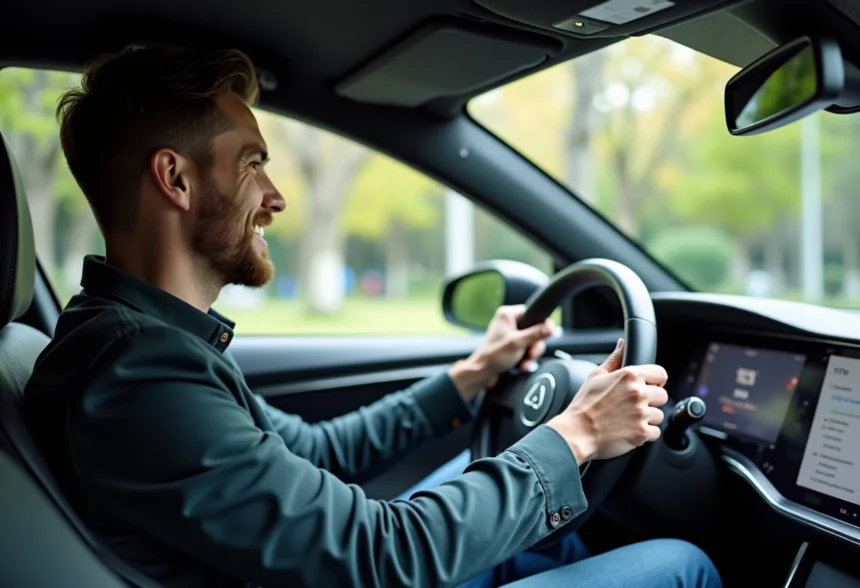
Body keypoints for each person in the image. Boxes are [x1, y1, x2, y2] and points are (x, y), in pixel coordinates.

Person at [22, 47, 720, 588]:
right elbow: (385, 555)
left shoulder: (145, 343)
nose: (275, 197)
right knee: (679, 564)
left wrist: (474, 375)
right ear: (175, 179)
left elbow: (316, 454)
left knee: (550, 538)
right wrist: (578, 434)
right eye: (252, 165)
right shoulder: (141, 377)